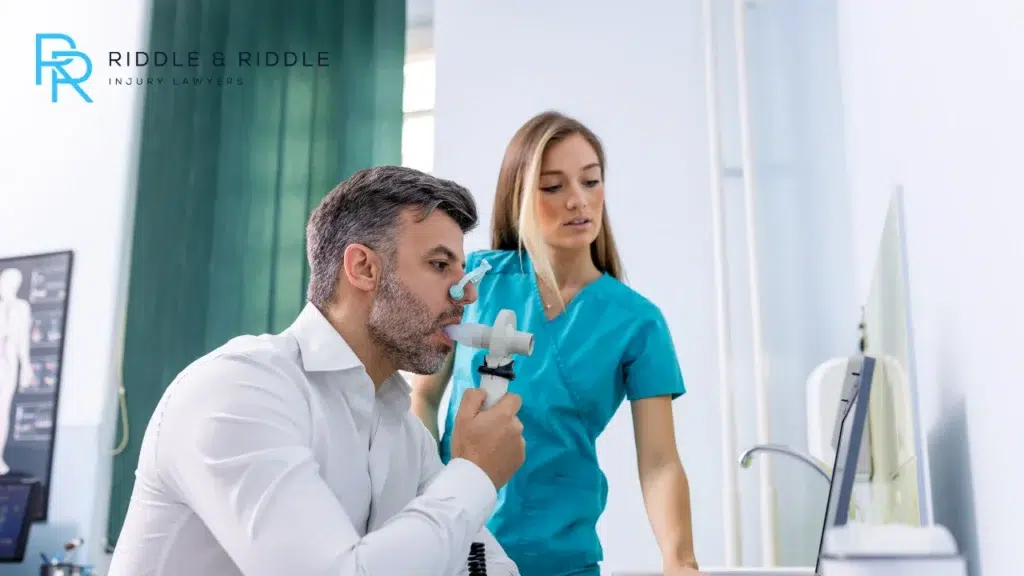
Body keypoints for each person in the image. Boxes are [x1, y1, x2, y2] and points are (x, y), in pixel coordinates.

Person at [109, 166, 525, 576]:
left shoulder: (404, 434)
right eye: (439, 265)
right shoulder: (238, 390)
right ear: (363, 268)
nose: (467, 294)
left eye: (462, 271)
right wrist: (473, 473)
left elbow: (487, 566)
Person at [410, 111, 701, 576]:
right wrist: (423, 502)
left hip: (561, 561)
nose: (577, 201)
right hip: (456, 551)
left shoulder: (637, 323)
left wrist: (679, 560)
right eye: (552, 186)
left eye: (590, 181)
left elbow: (660, 461)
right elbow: (422, 398)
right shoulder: (475, 282)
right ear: (519, 195)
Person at [0, 268, 32, 475]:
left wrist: (26, 366)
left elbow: (23, 340)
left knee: (2, 410)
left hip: (8, 361)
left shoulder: (21, 307)